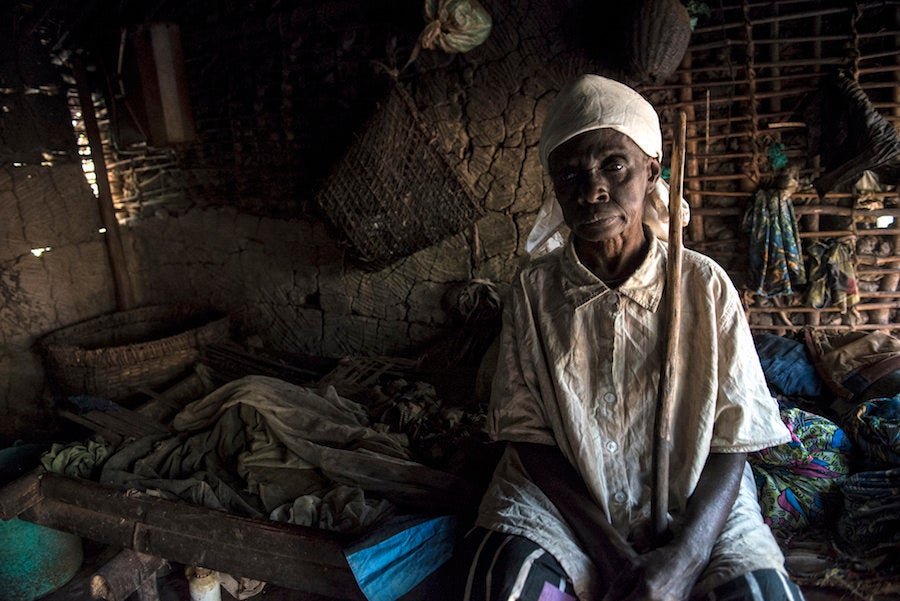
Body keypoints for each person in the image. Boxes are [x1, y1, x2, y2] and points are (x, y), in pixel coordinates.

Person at [459, 75, 804, 601]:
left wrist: (686, 558)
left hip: (695, 501)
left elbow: (736, 438)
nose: (591, 189)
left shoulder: (702, 284)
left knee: (759, 594)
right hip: (563, 503)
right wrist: (615, 557)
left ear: (651, 170)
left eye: (613, 165)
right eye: (570, 173)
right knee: (501, 584)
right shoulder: (534, 290)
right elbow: (527, 435)